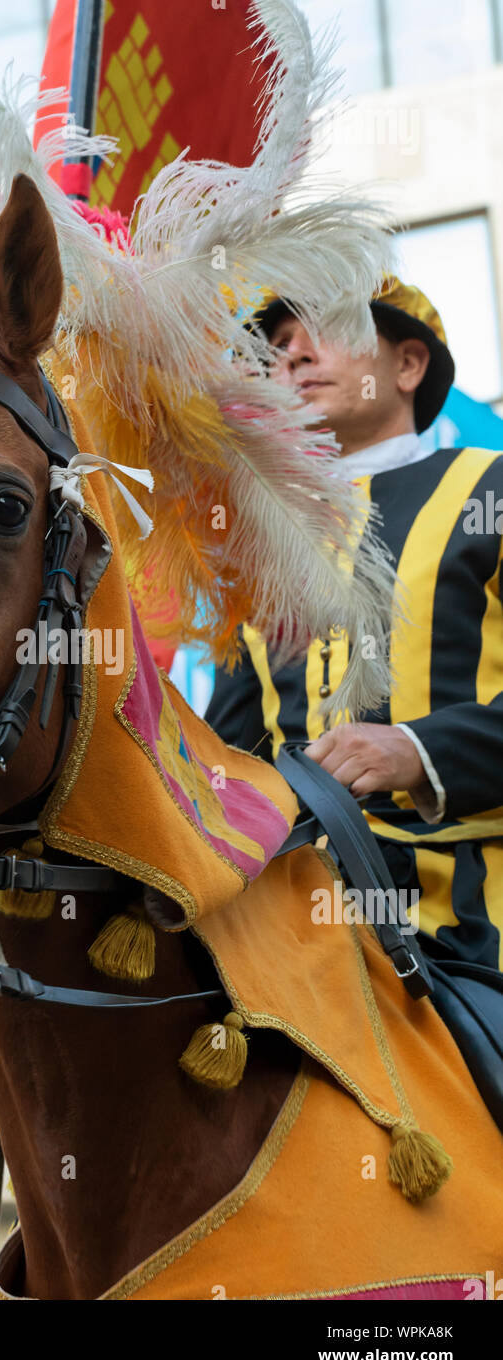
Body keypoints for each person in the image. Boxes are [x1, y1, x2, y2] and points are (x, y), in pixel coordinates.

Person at [206, 276, 503, 970]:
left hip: (477, 922)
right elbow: (225, 762)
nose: (293, 357)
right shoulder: (253, 548)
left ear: (407, 365)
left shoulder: (493, 490)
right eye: (277, 346)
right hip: (289, 932)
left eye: (328, 328)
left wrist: (417, 752)